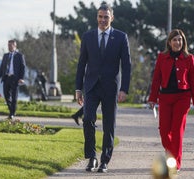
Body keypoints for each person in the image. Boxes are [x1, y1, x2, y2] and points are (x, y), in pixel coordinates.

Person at [75, 3, 131, 173]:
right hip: (91, 86)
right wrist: (78, 88)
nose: (102, 20)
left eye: (106, 17)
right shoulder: (88, 36)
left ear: (111, 18)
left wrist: (124, 89)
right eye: (100, 16)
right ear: (96, 18)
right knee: (87, 119)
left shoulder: (121, 37)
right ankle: (91, 157)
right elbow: (81, 63)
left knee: (109, 125)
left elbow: (127, 65)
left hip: (111, 87)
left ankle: (105, 160)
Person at [148, 29, 194, 172]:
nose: (178, 42)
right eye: (175, 40)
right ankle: (170, 155)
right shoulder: (161, 57)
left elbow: (193, 80)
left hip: (182, 98)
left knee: (177, 131)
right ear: (169, 42)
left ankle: (174, 164)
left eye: (180, 40)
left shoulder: (189, 58)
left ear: (183, 42)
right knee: (164, 132)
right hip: (165, 98)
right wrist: (152, 98)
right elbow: (156, 79)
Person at [0, 39, 26, 119]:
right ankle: (12, 110)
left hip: (15, 79)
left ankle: (12, 113)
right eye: (8, 45)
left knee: (14, 96)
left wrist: (21, 78)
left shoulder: (19, 56)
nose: (9, 47)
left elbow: (23, 67)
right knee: (6, 95)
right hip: (6, 78)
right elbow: (2, 67)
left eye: (10, 45)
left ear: (15, 46)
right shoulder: (5, 55)